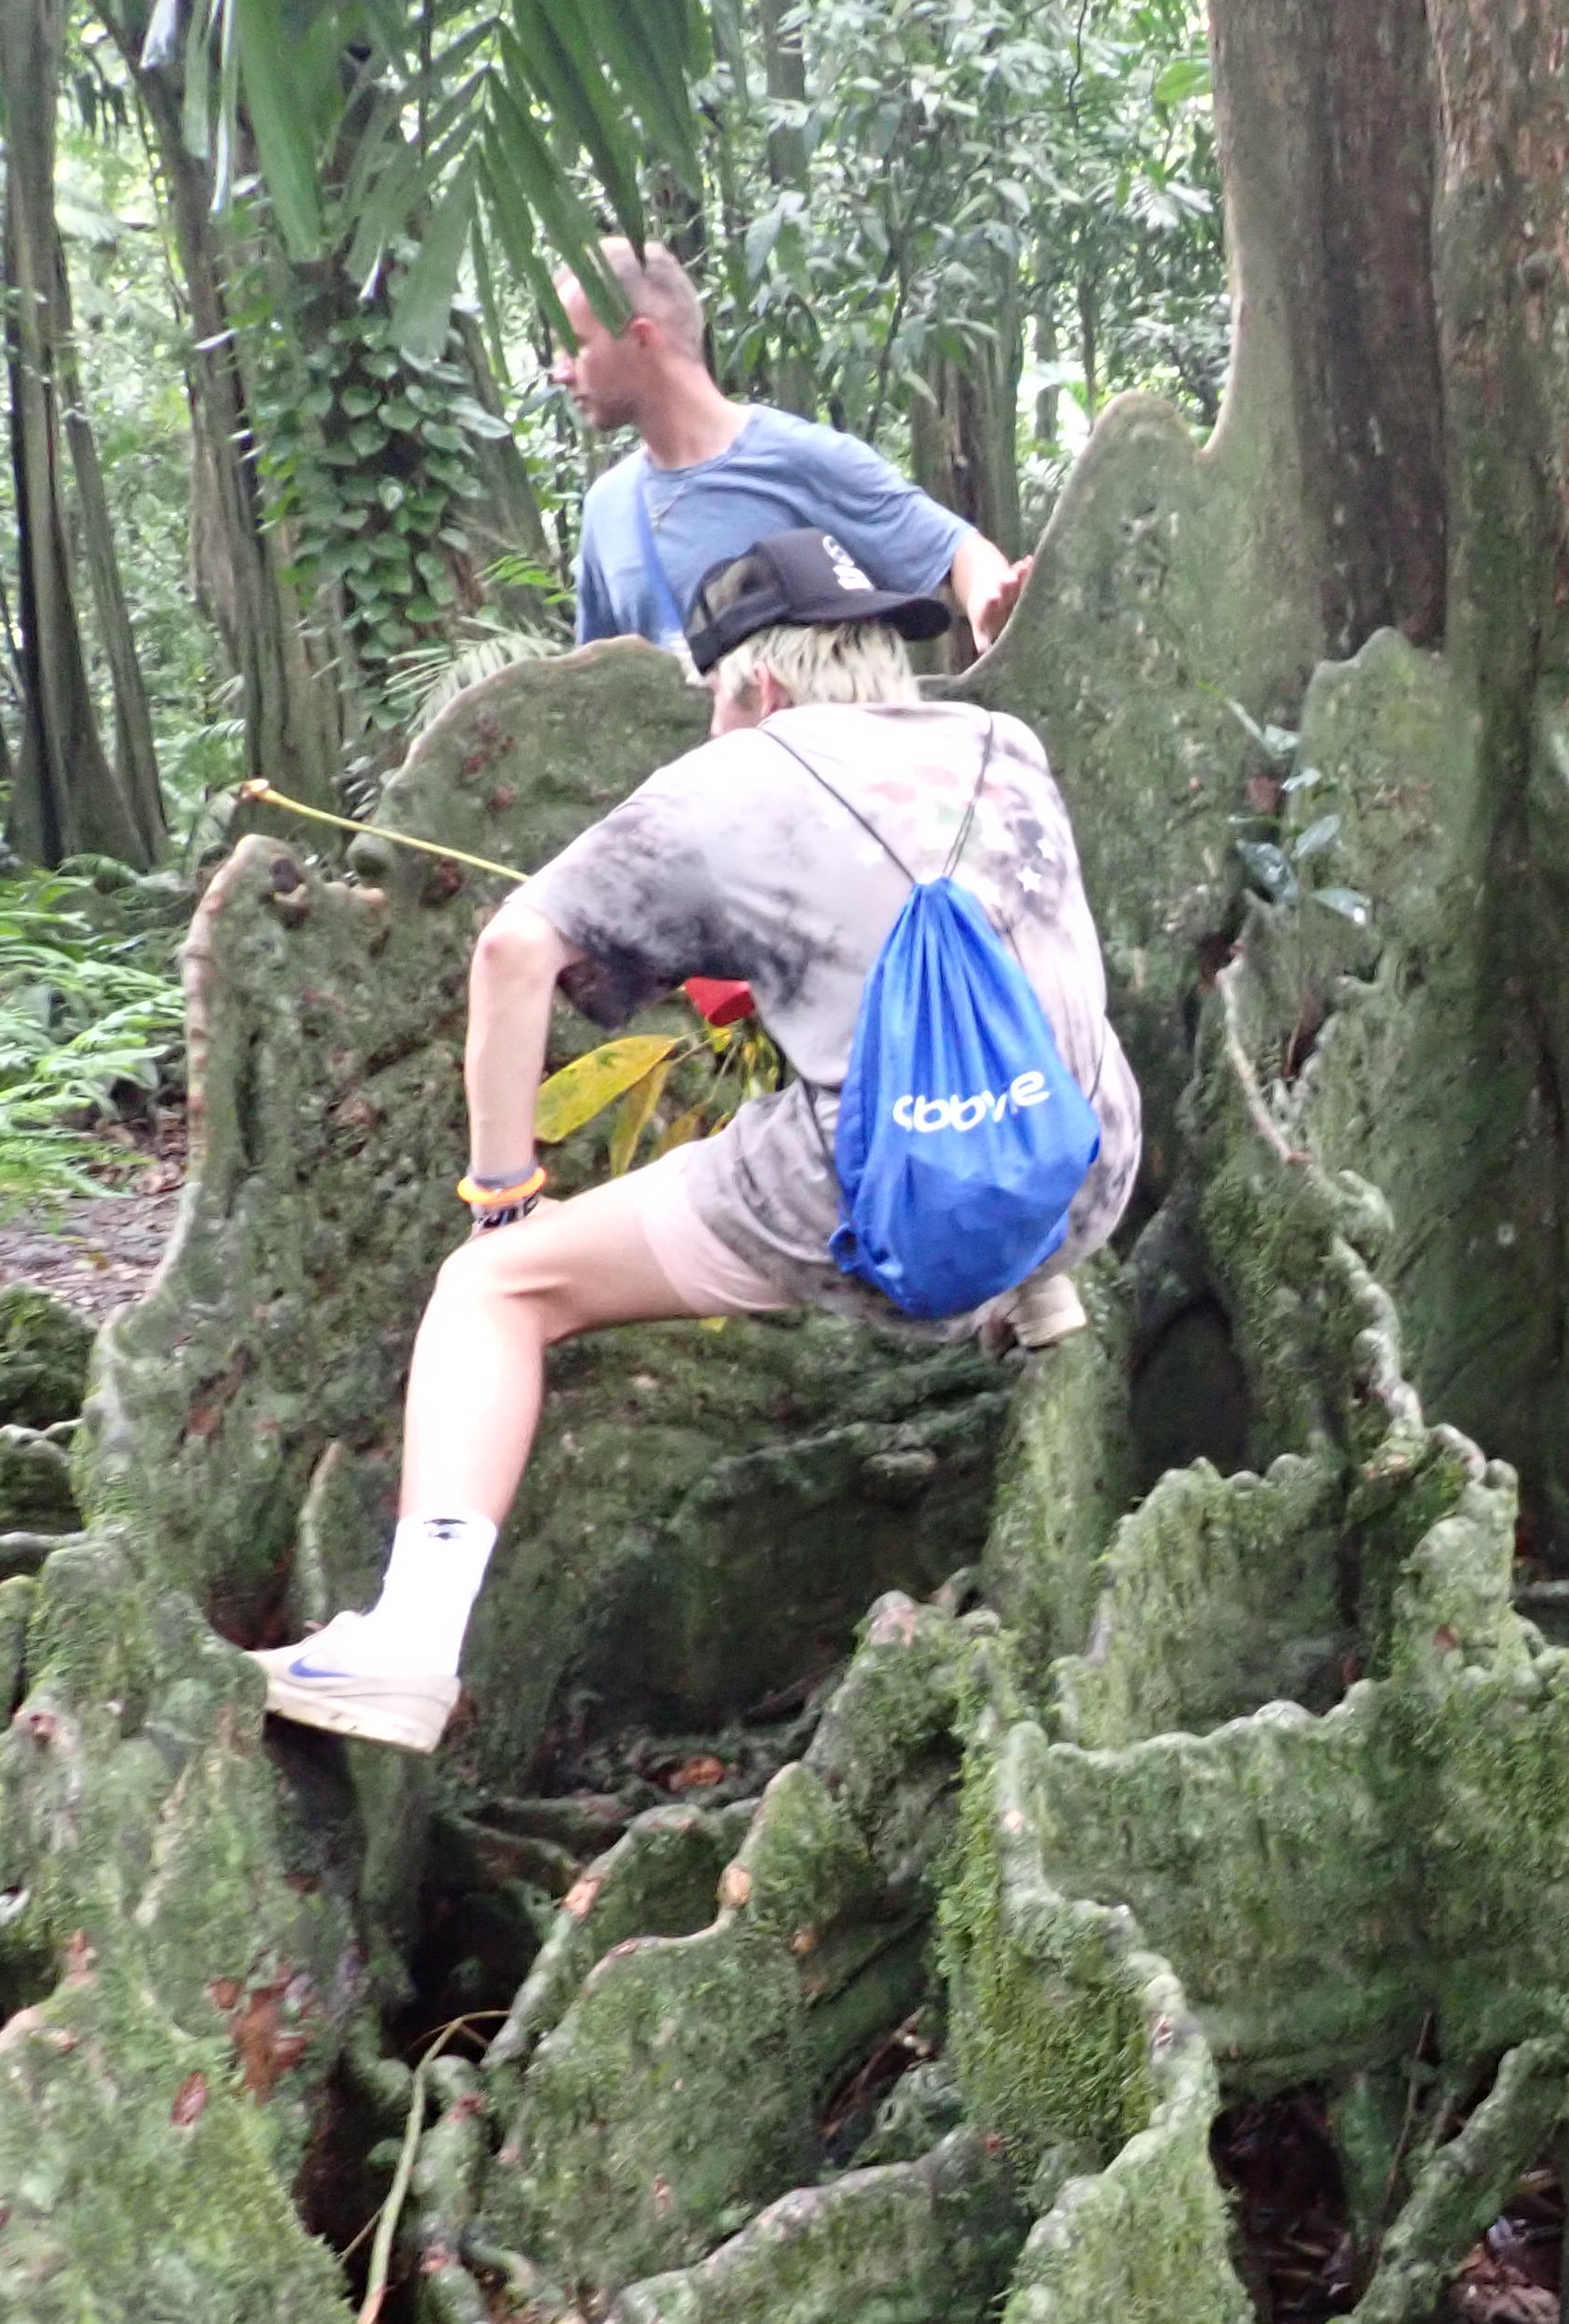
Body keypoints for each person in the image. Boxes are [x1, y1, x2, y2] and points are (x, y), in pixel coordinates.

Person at [251, 526, 1140, 1754]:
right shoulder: (1005, 743)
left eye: (716, 701)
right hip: (1085, 1169)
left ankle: (408, 1641)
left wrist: (504, 1193)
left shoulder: (738, 775)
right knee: (1027, 1020)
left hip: (885, 1200)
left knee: (492, 1293)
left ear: (758, 687)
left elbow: (514, 951)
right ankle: (1037, 1291)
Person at [556, 240, 1031, 659]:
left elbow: (955, 547)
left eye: (574, 346)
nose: (560, 372)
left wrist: (987, 601)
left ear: (641, 338)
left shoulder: (796, 458)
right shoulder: (606, 507)